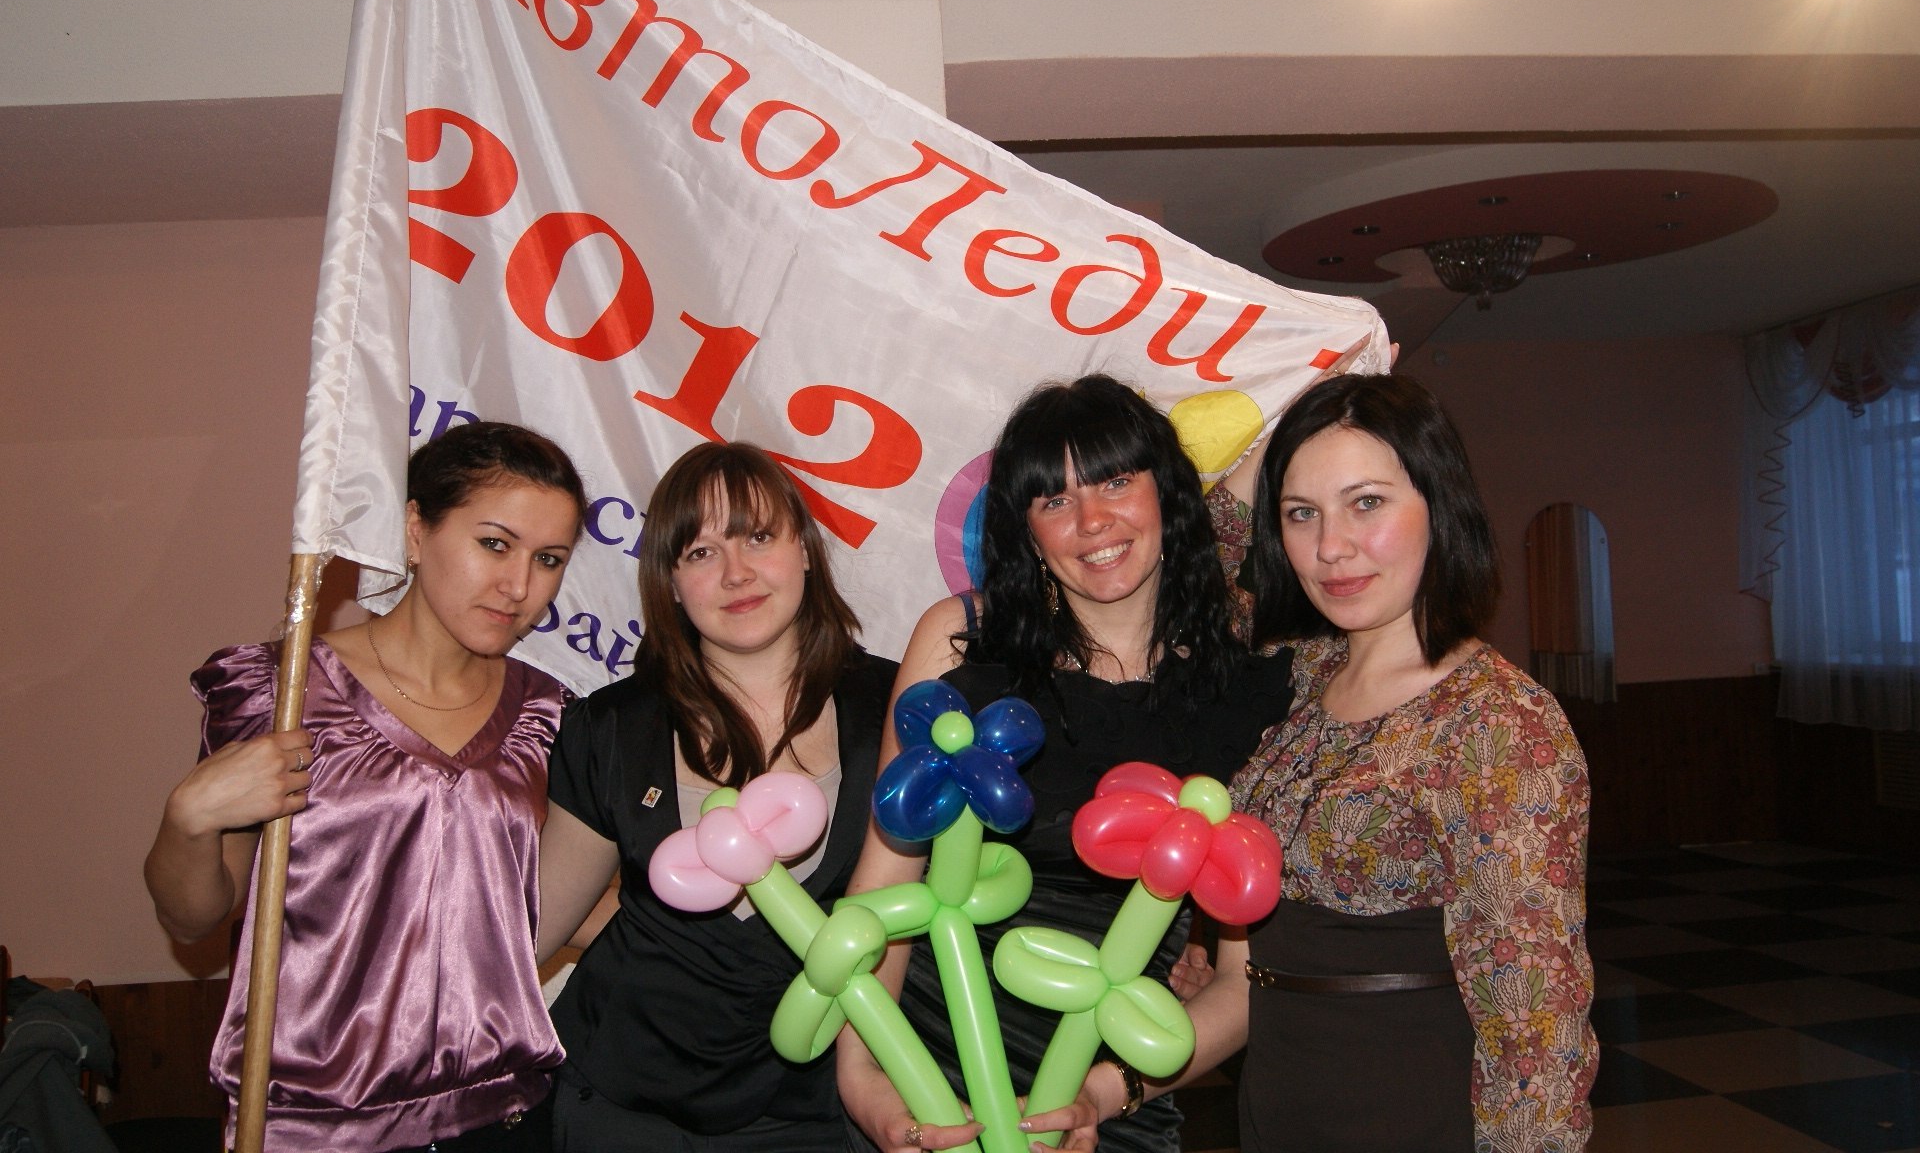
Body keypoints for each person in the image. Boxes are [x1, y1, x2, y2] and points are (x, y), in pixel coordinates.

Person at [837, 374, 1294, 1153]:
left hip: (1113, 1100)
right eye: (1055, 500)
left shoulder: (1247, 691)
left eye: (1116, 481)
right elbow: (884, 888)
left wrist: (1106, 1095)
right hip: (932, 1089)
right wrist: (865, 1079)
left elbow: (1243, 978)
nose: (1092, 522)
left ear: (1167, 493)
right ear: (1026, 530)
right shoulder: (961, 645)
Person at [144, 421, 588, 1152]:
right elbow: (193, 921)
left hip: (502, 1116)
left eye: (548, 559)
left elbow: (564, 904)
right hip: (314, 1126)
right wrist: (187, 818)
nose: (519, 587)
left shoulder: (550, 716)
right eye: (494, 544)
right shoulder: (283, 692)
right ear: (415, 530)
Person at [1191, 372, 1598, 1150]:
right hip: (1278, 1106)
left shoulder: (1497, 724)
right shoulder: (1300, 674)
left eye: (1367, 502)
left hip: (1412, 1116)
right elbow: (1177, 590)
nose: (1330, 547)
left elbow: (1534, 1028)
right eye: (1301, 513)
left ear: (1439, 505)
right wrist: (1279, 414)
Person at [535, 442, 896, 1152]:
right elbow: (534, 927)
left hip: (817, 1115)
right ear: (670, 583)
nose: (736, 573)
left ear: (805, 550)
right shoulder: (611, 727)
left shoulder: (894, 710)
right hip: (621, 1106)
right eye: (700, 553)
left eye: (757, 537)